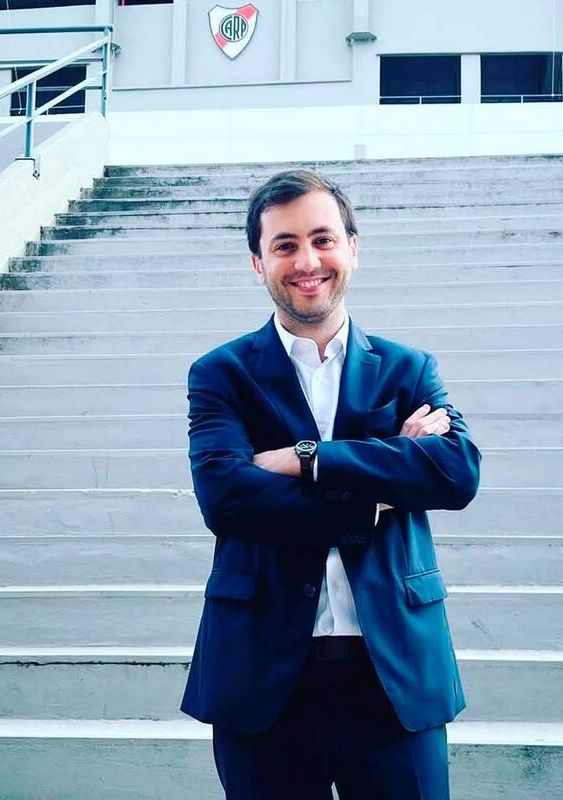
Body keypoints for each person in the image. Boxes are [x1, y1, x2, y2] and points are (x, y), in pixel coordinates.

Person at [180, 169, 481, 799]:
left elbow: (455, 473)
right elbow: (227, 497)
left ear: (352, 247)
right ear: (258, 264)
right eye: (284, 245)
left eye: (323, 238)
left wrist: (309, 459)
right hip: (263, 674)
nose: (307, 260)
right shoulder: (220, 374)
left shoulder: (407, 367)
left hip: (393, 670)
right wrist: (381, 479)